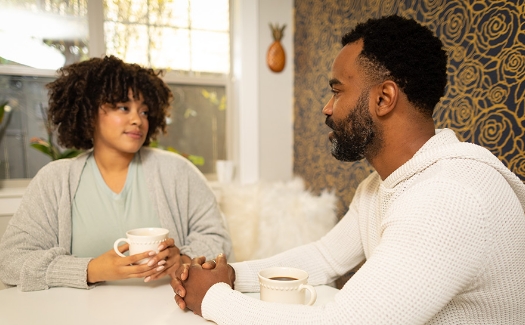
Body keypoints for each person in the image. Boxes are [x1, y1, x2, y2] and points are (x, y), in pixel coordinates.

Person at [169, 15, 525, 324]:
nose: (327, 107)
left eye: (337, 91)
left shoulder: (448, 195)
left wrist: (213, 297)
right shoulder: (381, 186)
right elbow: (325, 256)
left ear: (383, 99)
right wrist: (231, 275)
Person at [0, 55, 232, 292]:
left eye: (144, 111)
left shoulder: (177, 172)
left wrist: (183, 259)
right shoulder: (55, 180)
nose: (137, 120)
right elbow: (11, 261)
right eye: (123, 107)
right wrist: (91, 269)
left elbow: (218, 239)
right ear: (89, 112)